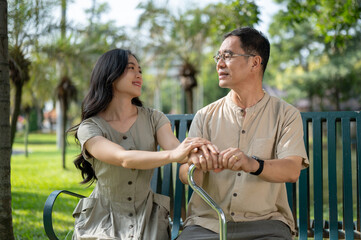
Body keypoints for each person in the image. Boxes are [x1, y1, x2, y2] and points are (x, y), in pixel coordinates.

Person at [69, 48, 216, 240]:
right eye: (131, 68)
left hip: (148, 218)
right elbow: (123, 158)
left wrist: (200, 154)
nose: (139, 75)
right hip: (103, 219)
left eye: (140, 70)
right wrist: (174, 155)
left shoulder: (154, 118)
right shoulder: (90, 128)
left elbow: (175, 147)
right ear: (110, 75)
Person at [177, 27, 309, 240]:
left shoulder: (286, 114)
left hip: (267, 226)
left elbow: (292, 170)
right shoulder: (205, 116)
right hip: (207, 225)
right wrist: (197, 165)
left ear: (255, 63)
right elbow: (186, 175)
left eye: (228, 56)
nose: (219, 63)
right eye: (218, 57)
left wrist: (252, 163)